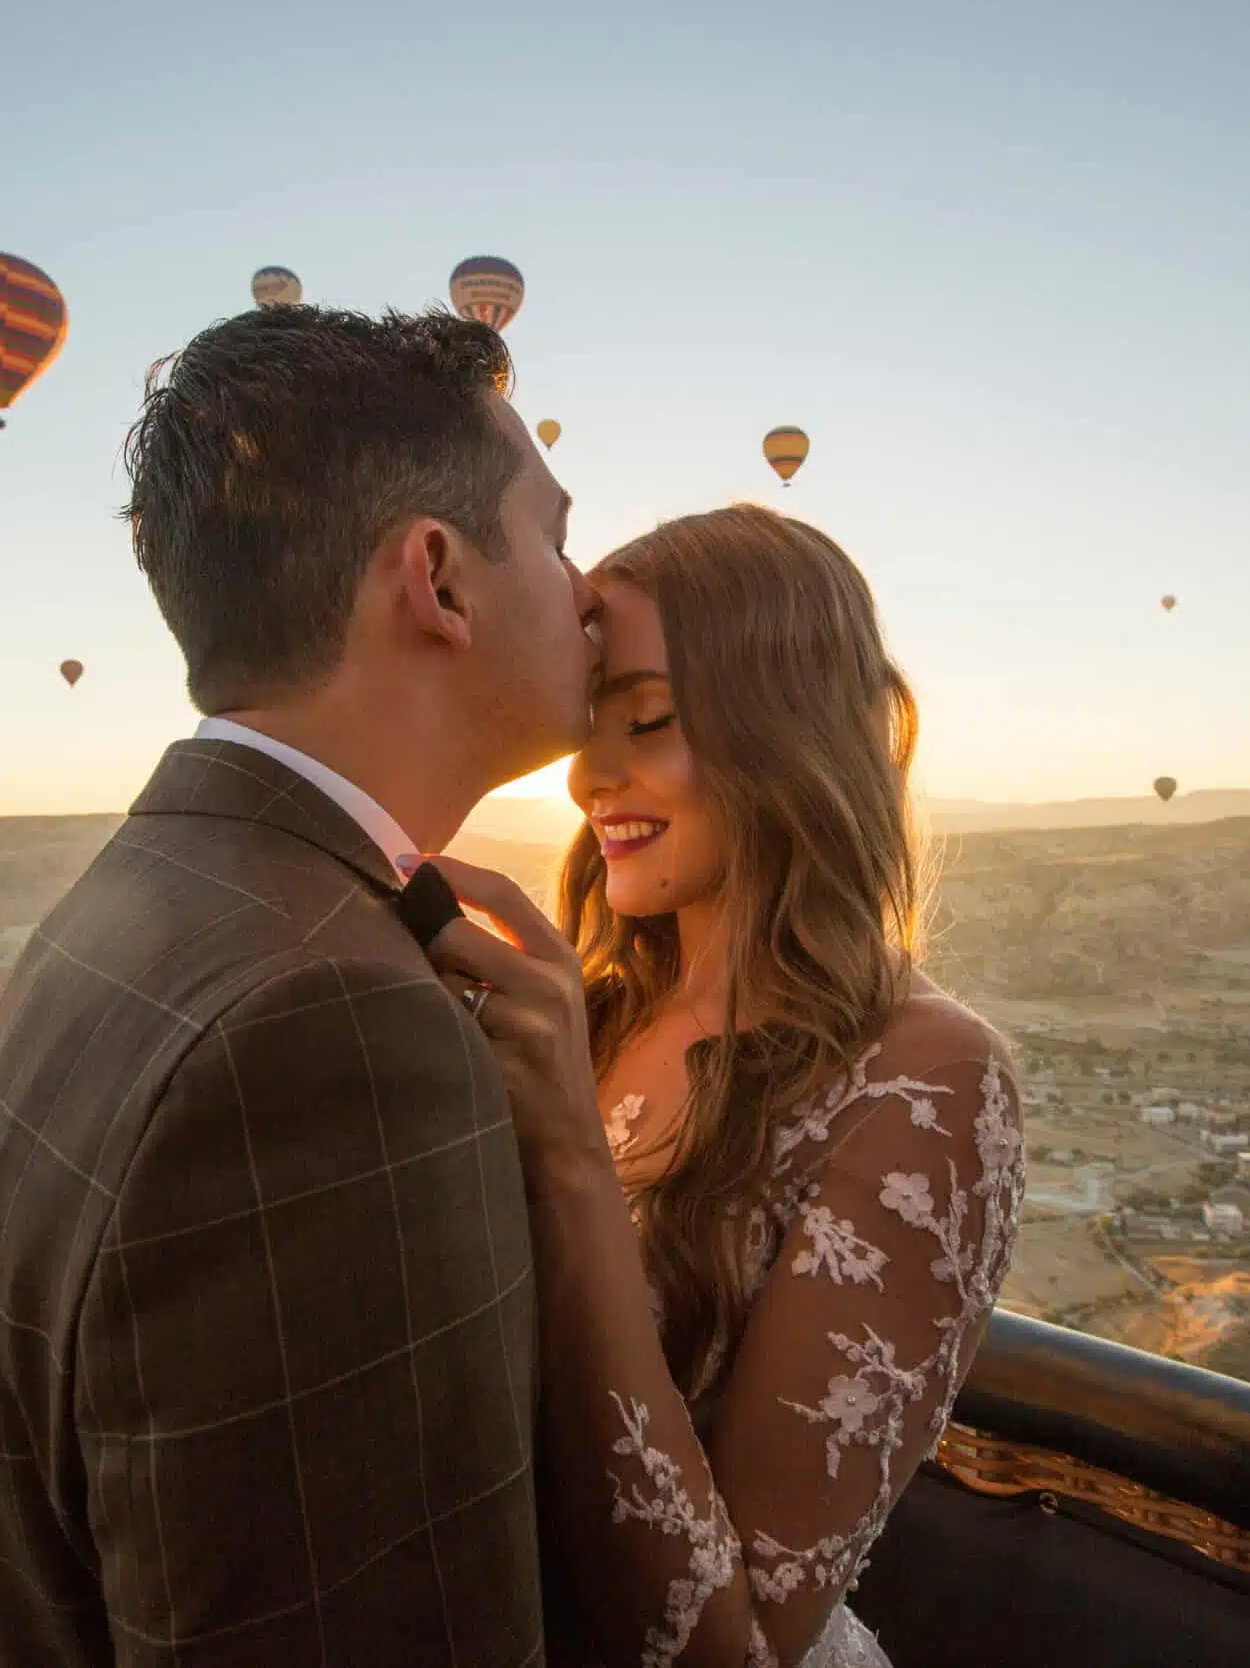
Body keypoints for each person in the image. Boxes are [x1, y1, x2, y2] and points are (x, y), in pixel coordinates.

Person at [0, 305, 600, 1668]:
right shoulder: (331, 1031)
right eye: (560, 531)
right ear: (439, 580)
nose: (589, 588)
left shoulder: (131, 909)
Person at [413, 505, 1027, 1668]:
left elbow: (737, 1649)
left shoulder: (929, 1081)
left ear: (786, 729)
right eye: (590, 719)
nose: (593, 774)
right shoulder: (589, 1011)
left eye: (646, 718)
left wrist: (567, 1163)